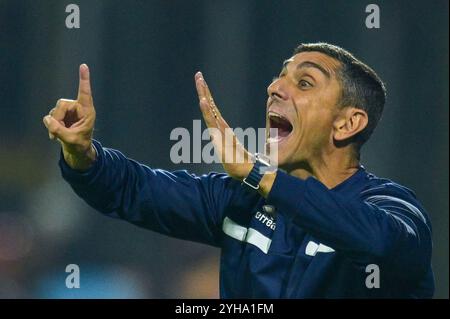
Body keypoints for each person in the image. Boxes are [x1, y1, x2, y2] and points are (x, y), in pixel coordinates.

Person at [42, 43, 434, 298]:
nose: (275, 87)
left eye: (305, 81)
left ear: (347, 124)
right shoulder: (240, 200)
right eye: (280, 75)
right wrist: (82, 153)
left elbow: (384, 245)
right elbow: (133, 189)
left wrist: (261, 175)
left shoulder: (391, 207)